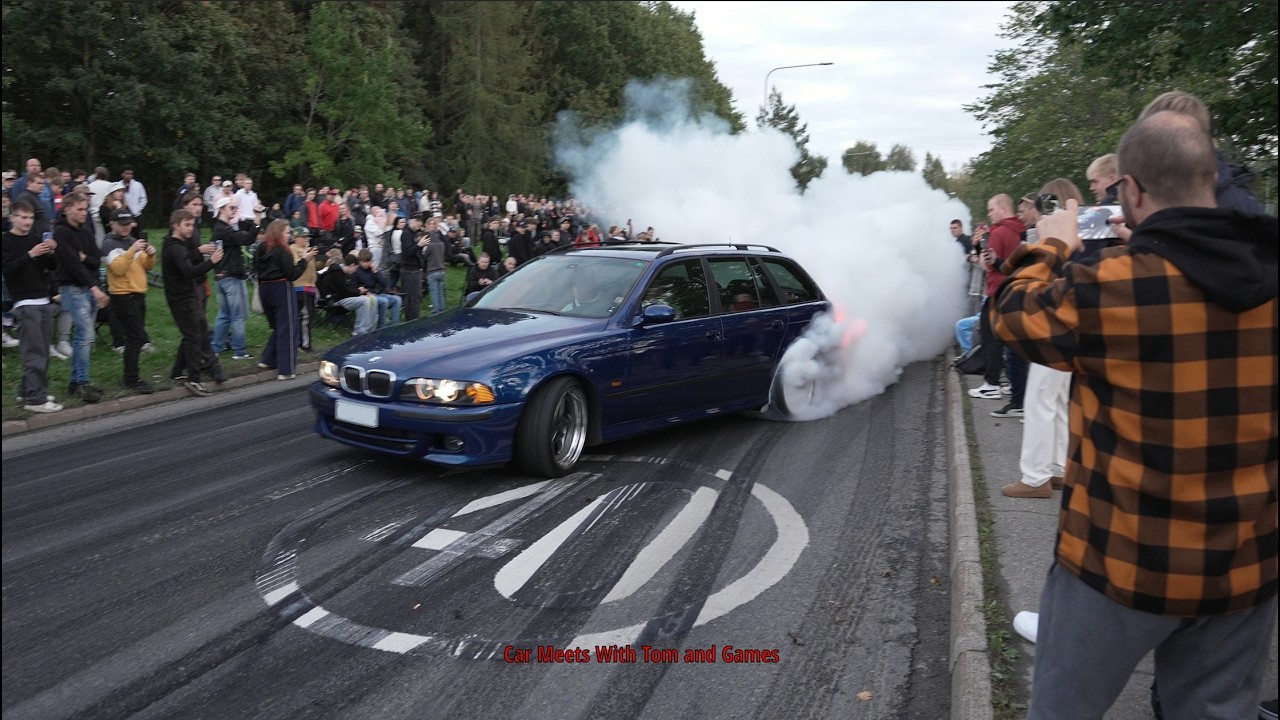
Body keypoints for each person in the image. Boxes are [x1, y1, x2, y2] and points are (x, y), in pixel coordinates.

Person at [993, 110, 1277, 719]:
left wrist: (1053, 241)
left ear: (1132, 190)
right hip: (1244, 567)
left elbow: (1012, 316)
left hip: (1120, 562)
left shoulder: (1115, 285)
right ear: (1210, 175)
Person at [999, 179, 1084, 499]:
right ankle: (1058, 467)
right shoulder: (1082, 230)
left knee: (1039, 402)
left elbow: (1035, 280)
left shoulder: (1057, 237)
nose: (1032, 210)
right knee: (1057, 401)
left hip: (1054, 325)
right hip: (1074, 326)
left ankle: (1035, 477)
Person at [2, 199, 62, 412]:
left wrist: (51, 252)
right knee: (34, 352)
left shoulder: (36, 238)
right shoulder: (6, 241)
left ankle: (29, 390)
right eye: (23, 217)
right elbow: (8, 269)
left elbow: (52, 267)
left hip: (43, 299)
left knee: (43, 351)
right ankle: (35, 400)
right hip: (25, 302)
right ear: (13, 218)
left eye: (31, 218)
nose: (28, 222)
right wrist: (31, 255)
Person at [50, 192, 108, 403]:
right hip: (73, 288)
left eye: (85, 209)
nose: (84, 213)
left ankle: (76, 381)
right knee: (85, 334)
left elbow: (96, 258)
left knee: (84, 337)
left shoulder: (85, 230)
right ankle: (81, 382)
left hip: (88, 286)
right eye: (80, 209)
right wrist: (94, 286)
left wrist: (86, 259)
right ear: (67, 210)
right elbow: (73, 264)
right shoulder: (61, 232)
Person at [162, 209, 226, 396]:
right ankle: (194, 379)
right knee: (194, 336)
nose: (191, 229)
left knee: (195, 331)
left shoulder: (175, 244)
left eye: (192, 225)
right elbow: (189, 271)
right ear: (176, 225)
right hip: (181, 298)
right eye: (187, 225)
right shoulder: (176, 248)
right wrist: (211, 262)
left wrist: (199, 250)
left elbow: (186, 258)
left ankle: (177, 372)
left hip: (185, 295)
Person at [967, 194, 1025, 402]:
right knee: (1013, 340)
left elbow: (987, 266)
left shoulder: (998, 232)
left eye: (991, 210)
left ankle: (991, 384)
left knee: (990, 337)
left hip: (997, 291)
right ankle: (1014, 382)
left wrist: (977, 248)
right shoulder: (1022, 228)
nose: (989, 214)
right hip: (1017, 289)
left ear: (1002, 208)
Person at [102, 209, 157, 394]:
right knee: (135, 338)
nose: (126, 227)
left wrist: (150, 254)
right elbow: (118, 268)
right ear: (112, 223)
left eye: (128, 224)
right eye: (122, 224)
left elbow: (146, 266)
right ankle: (131, 378)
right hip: (123, 295)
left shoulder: (132, 241)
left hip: (138, 293)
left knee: (136, 337)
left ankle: (132, 376)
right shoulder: (109, 243)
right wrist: (132, 251)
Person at [254, 220, 315, 380]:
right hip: (281, 288)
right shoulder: (284, 251)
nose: (289, 236)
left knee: (278, 326)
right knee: (288, 327)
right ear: (279, 233)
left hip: (264, 289)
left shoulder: (260, 248)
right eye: (287, 232)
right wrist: (304, 260)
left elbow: (255, 268)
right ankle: (286, 370)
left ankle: (268, 359)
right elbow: (292, 274)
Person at [209, 195, 261, 360]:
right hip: (231, 276)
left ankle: (215, 348)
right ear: (222, 209)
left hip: (220, 276)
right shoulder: (224, 229)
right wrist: (257, 219)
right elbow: (247, 239)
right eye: (231, 208)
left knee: (224, 314)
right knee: (237, 315)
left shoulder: (218, 229)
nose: (234, 210)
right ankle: (240, 351)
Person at [316, 251, 377, 336]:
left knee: (372, 299)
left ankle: (371, 329)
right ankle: (359, 331)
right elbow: (344, 292)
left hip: (342, 298)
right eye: (355, 268)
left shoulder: (343, 273)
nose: (355, 271)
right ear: (351, 265)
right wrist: (359, 291)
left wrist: (361, 291)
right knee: (365, 301)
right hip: (335, 300)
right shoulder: (337, 273)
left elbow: (347, 289)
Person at [290, 227, 321, 352]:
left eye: (307, 237)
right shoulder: (293, 249)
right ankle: (304, 344)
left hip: (311, 286)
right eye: (303, 237)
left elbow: (313, 268)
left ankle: (303, 342)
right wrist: (306, 257)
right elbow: (295, 265)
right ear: (296, 237)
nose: (306, 239)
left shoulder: (308, 250)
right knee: (304, 316)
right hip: (300, 286)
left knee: (308, 316)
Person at [353, 249, 401, 327]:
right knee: (384, 301)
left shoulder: (373, 270)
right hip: (367, 295)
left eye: (368, 261)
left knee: (397, 300)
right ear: (360, 261)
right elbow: (355, 286)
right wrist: (364, 291)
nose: (366, 264)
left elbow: (385, 284)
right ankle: (382, 326)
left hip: (377, 293)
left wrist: (376, 272)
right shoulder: (357, 271)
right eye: (363, 262)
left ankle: (395, 325)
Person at [397, 213, 427, 320]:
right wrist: (419, 245)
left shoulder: (414, 234)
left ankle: (415, 319)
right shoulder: (406, 234)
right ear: (411, 220)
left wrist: (421, 247)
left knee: (417, 297)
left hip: (416, 270)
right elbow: (408, 252)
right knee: (412, 298)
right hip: (409, 271)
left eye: (420, 221)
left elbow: (414, 252)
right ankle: (412, 320)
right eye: (417, 221)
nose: (419, 224)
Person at [422, 216, 447, 314]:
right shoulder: (442, 244)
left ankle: (436, 311)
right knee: (441, 291)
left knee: (434, 292)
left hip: (432, 270)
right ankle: (442, 310)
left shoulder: (429, 244)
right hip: (442, 269)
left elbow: (424, 256)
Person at [119, 165, 147, 230]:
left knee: (139, 234)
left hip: (136, 215)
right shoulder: (118, 185)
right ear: (122, 174)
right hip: (123, 215)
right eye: (127, 173)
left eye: (131, 174)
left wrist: (138, 209)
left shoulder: (138, 185)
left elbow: (143, 199)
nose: (129, 175)